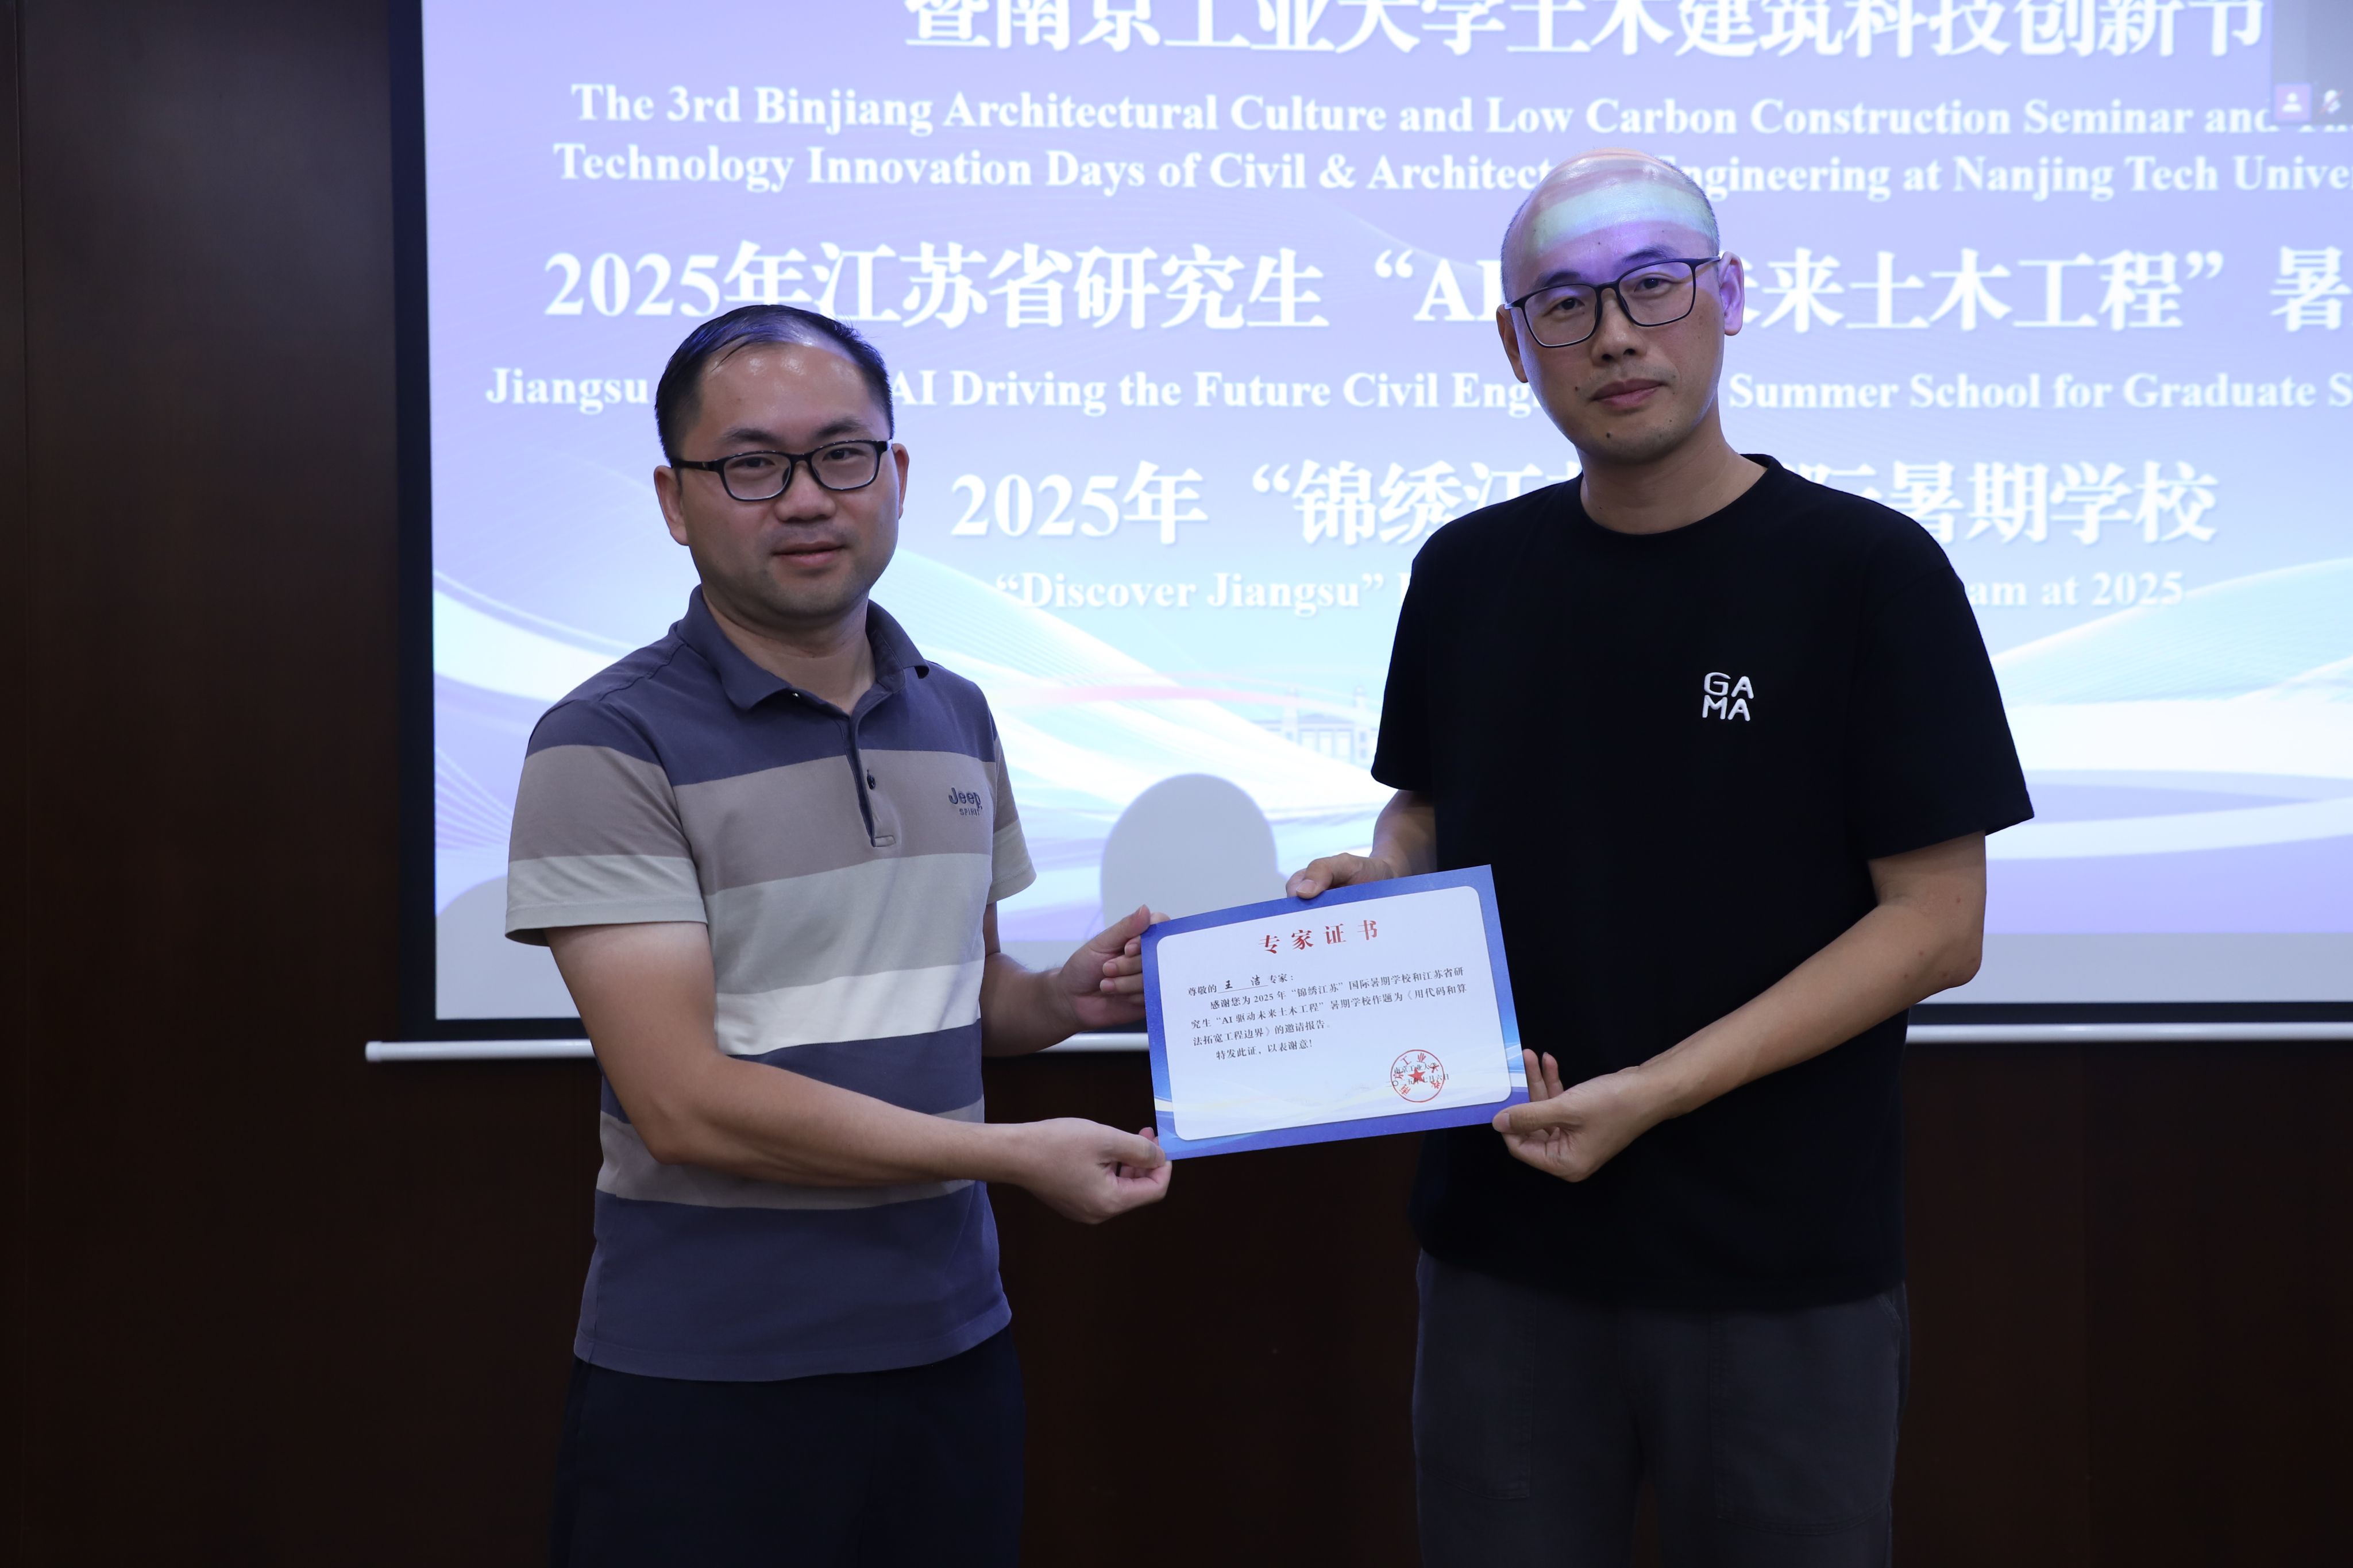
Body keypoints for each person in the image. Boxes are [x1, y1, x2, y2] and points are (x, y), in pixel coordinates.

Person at [1287, 150, 2032, 1566]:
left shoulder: (1865, 573)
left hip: (1776, 1263)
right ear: (1513, 344)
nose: (1615, 335)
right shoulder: (1465, 573)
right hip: (1504, 1246)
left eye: (1651, 285)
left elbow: (1937, 923)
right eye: (1563, 304)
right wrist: (1384, 887)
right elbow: (1427, 814)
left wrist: (1656, 1091)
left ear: (1727, 295)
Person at [505, 304, 1171, 1567]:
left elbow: (967, 995)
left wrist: (1061, 999)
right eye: (752, 464)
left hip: (950, 1348)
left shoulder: (955, 712)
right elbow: (683, 1103)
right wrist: (1008, 1156)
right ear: (675, 499)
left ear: (896, 473)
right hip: (712, 1375)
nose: (806, 497)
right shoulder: (604, 741)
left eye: (842, 455)